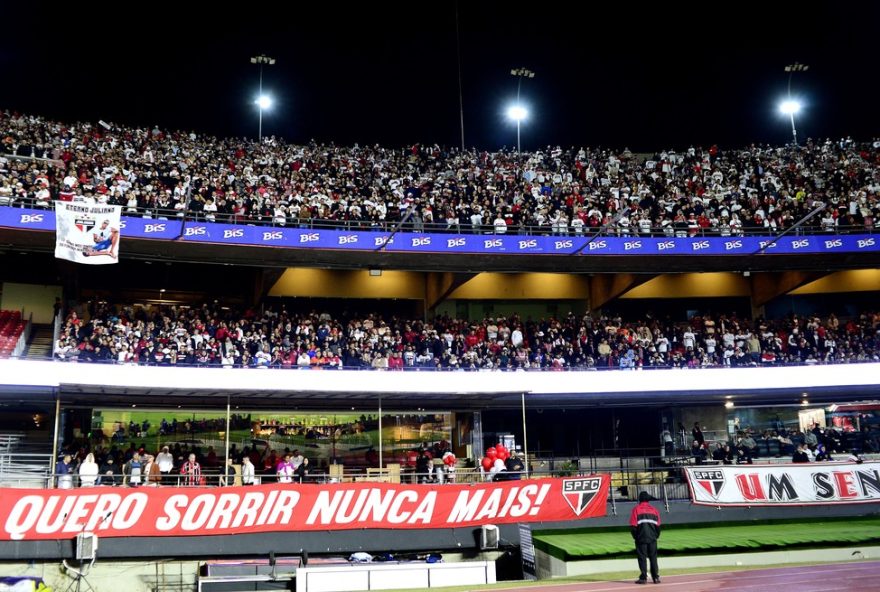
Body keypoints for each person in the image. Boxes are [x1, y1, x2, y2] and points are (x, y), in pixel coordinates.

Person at [630, 491, 661, 584]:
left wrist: (636, 537)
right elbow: (658, 526)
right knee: (653, 557)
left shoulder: (636, 509)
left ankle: (643, 578)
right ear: (648, 499)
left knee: (642, 558)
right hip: (652, 538)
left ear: (640, 499)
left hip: (641, 538)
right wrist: (656, 536)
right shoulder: (654, 510)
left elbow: (633, 526)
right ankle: (655, 577)